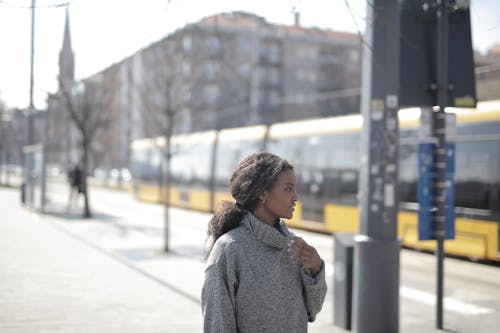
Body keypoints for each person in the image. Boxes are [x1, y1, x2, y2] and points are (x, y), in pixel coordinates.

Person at [201, 152, 327, 333]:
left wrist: (316, 270)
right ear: (262, 193)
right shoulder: (230, 248)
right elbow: (217, 325)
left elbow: (312, 311)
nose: (296, 197)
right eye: (288, 189)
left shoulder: (296, 246)